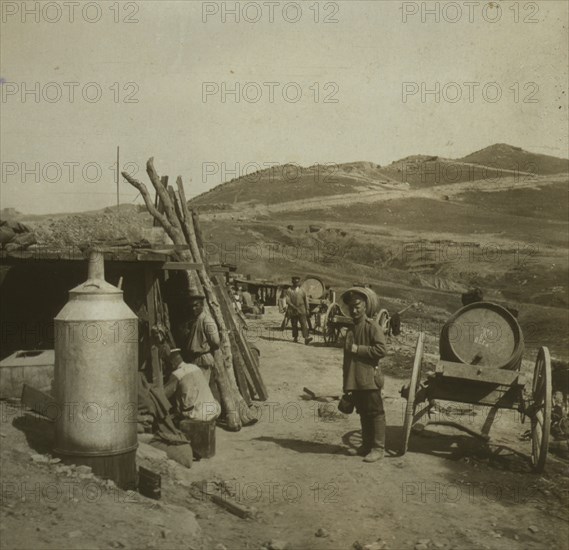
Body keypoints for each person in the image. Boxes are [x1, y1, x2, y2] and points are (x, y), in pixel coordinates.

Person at [342, 288, 387, 462]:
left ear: (366, 306)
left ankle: (378, 448)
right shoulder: (351, 328)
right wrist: (346, 383)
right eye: (351, 307)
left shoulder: (372, 326)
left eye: (357, 306)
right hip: (355, 379)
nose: (354, 310)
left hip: (369, 379)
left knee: (375, 412)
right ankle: (366, 445)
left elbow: (382, 350)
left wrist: (359, 349)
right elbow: (347, 360)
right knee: (363, 412)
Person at [178, 291, 220, 382]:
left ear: (202, 306)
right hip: (195, 359)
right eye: (191, 306)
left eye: (196, 305)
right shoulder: (196, 320)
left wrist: (204, 348)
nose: (193, 308)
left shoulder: (207, 320)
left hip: (202, 360)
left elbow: (216, 342)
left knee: (202, 388)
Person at [285, 276, 313, 345]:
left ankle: (306, 338)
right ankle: (295, 337)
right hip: (293, 309)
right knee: (294, 324)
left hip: (301, 309)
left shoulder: (302, 290)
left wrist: (307, 309)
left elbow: (306, 300)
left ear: (299, 283)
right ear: (292, 282)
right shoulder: (289, 290)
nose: (296, 283)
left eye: (297, 282)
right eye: (295, 282)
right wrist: (293, 307)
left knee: (304, 324)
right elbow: (287, 300)